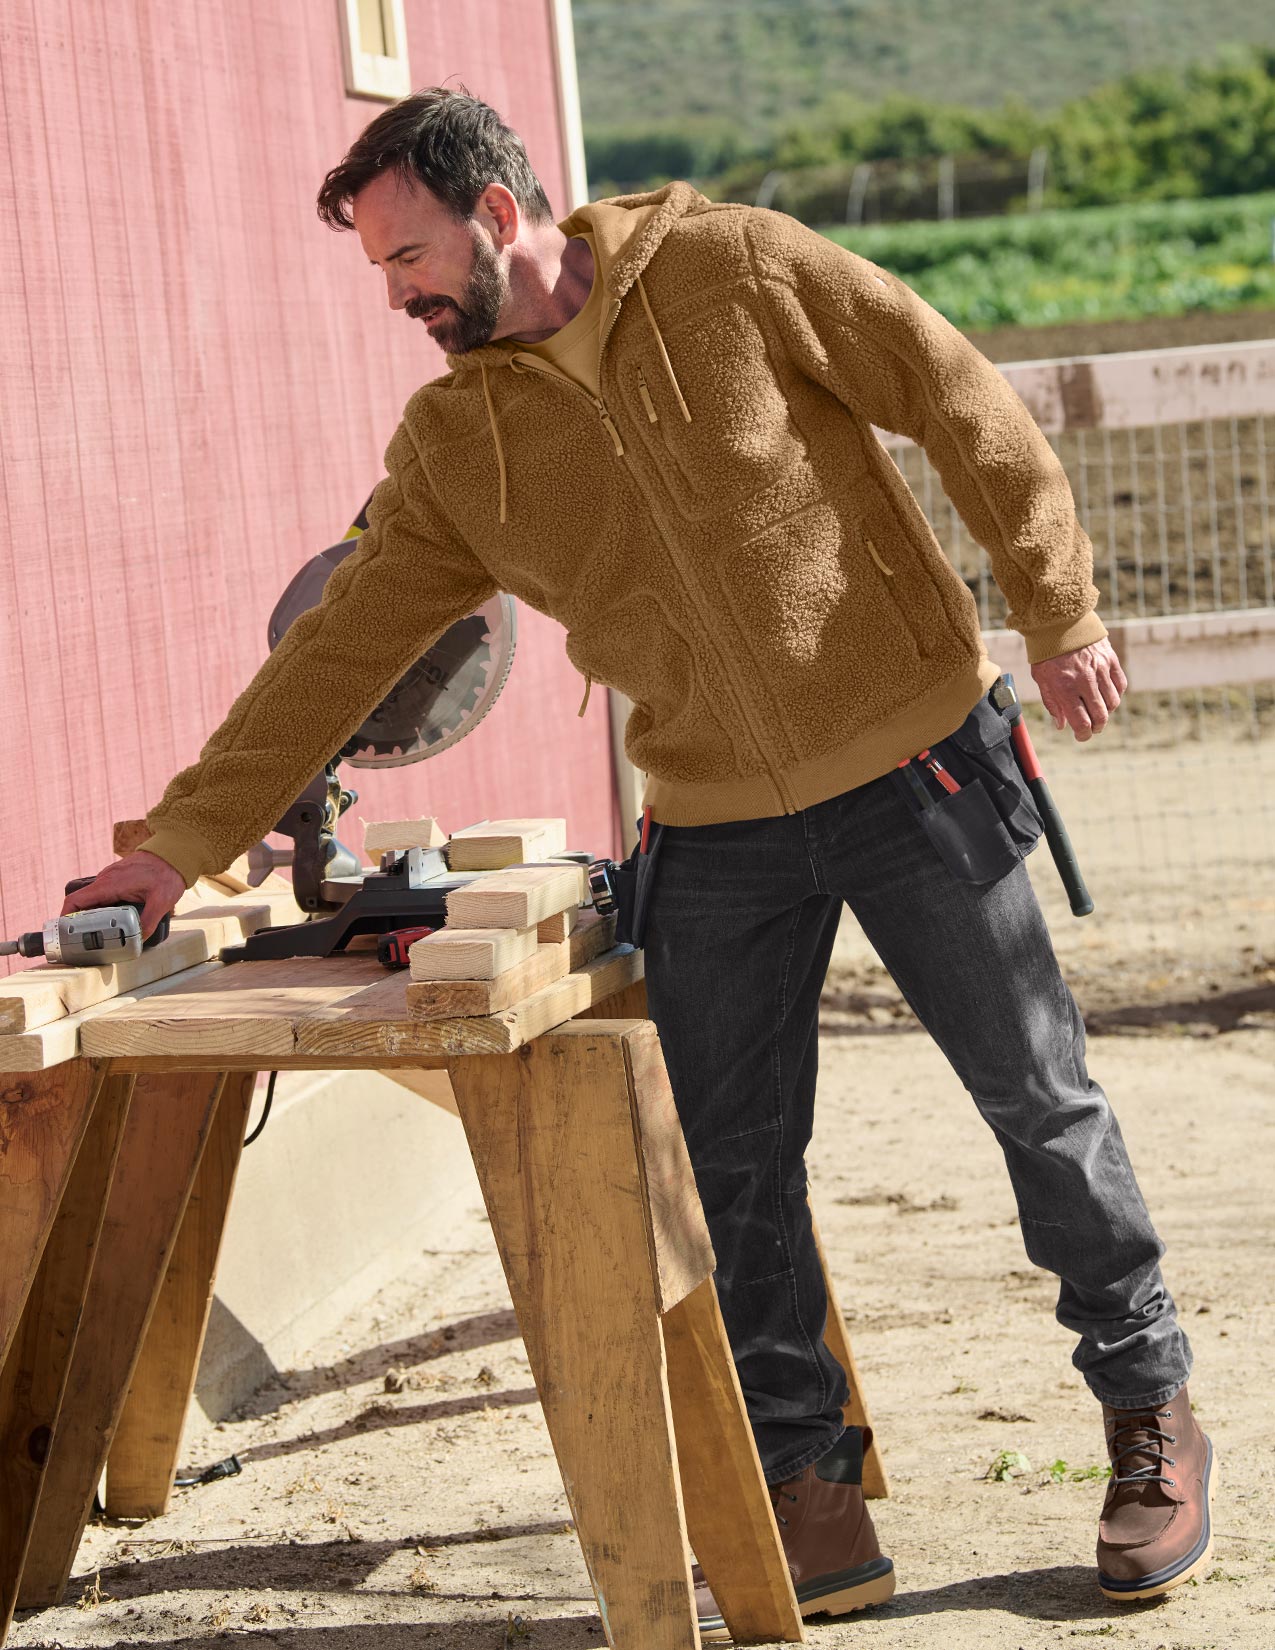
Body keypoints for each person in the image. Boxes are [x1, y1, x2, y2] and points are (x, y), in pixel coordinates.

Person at [65, 87, 1212, 1633]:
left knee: (1038, 1098)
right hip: (713, 823)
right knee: (732, 1167)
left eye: (406, 256)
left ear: (492, 212)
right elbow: (340, 647)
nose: (397, 295)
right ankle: (807, 1479)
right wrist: (178, 844)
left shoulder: (735, 269)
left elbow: (950, 388)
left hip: (913, 763)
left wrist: (1057, 604)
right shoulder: (461, 437)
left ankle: (1150, 1417)